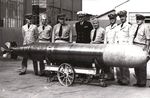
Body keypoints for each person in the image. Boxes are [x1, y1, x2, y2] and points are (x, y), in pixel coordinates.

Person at [129, 14, 150, 87]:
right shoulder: (136, 26)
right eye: (137, 19)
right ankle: (138, 81)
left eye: (139, 19)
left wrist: (146, 49)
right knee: (136, 64)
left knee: (142, 66)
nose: (138, 21)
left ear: (143, 20)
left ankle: (142, 82)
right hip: (135, 46)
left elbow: (148, 39)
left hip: (142, 46)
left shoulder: (146, 27)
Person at [115, 10, 131, 85]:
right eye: (120, 17)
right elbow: (116, 37)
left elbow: (131, 37)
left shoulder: (129, 26)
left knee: (124, 65)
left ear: (126, 17)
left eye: (123, 16)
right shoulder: (118, 27)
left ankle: (126, 79)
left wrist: (129, 47)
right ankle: (119, 78)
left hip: (125, 47)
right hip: (118, 47)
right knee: (118, 64)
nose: (122, 18)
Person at [104, 13, 118, 81]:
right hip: (108, 47)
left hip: (114, 46)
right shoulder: (107, 27)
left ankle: (118, 77)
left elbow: (117, 37)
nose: (112, 20)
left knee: (115, 62)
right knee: (108, 62)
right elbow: (105, 38)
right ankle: (110, 76)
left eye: (113, 19)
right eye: (111, 19)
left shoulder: (118, 27)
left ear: (115, 19)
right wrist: (104, 46)